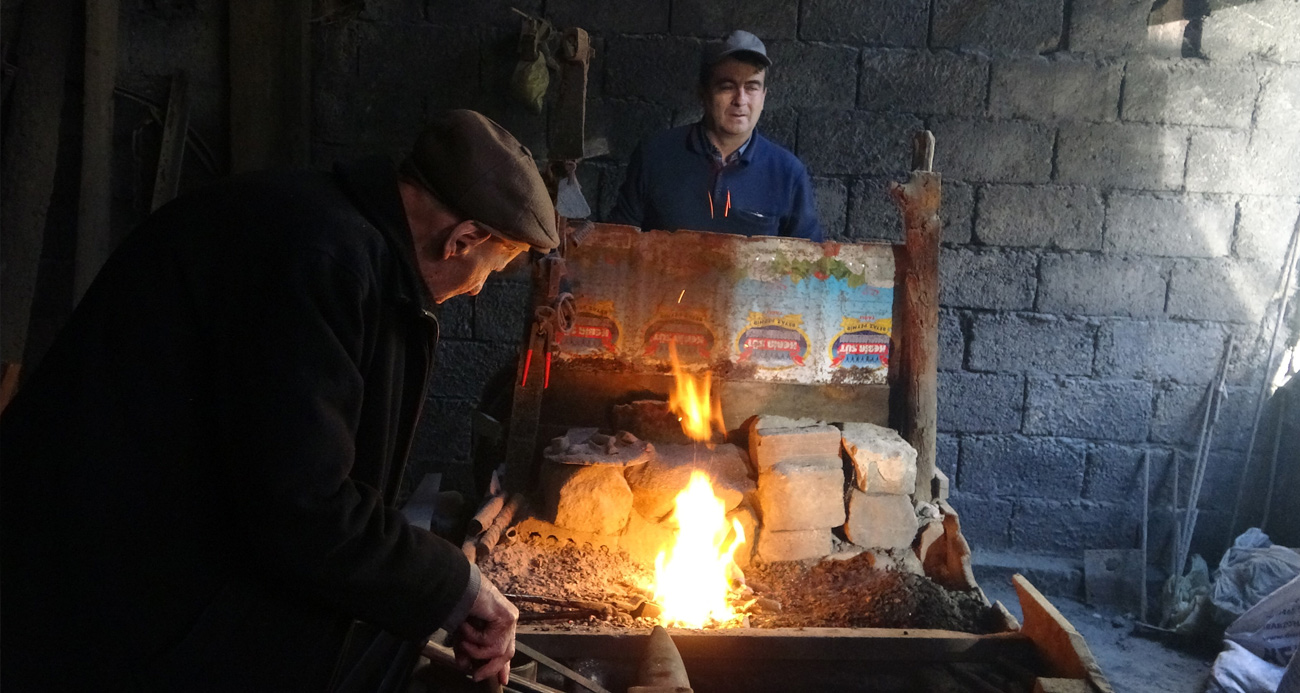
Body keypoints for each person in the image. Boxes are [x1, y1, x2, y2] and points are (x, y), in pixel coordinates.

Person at [0, 110, 551, 691]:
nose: (477, 288)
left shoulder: (331, 233)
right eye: (491, 269)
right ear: (461, 239)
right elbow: (301, 504)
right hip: (98, 590)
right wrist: (455, 585)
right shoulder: (320, 260)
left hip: (131, 563)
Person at [610, 30, 822, 241]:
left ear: (764, 96)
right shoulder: (654, 155)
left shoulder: (788, 173)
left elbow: (809, 264)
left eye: (751, 87)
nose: (740, 100)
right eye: (727, 86)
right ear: (703, 92)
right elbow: (616, 243)